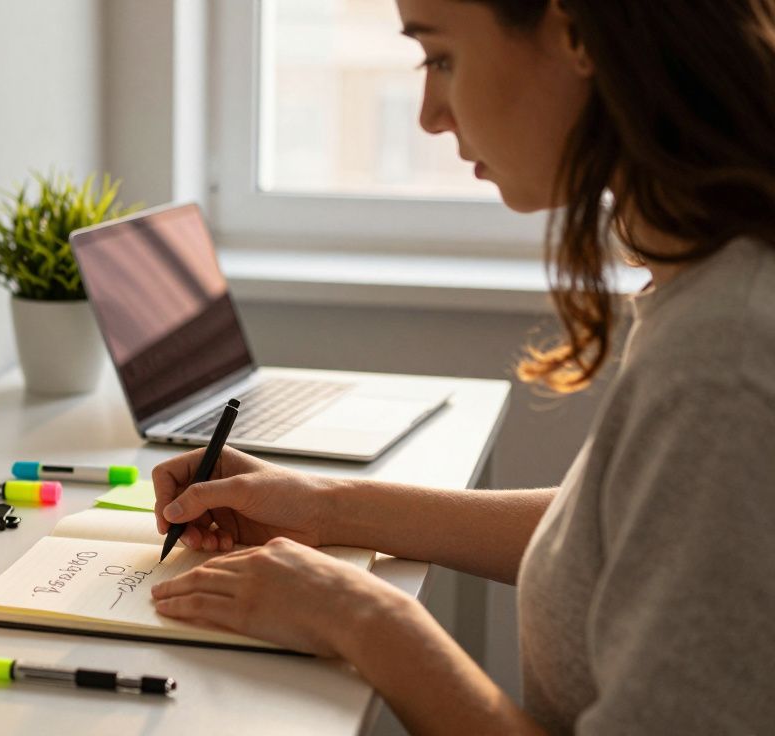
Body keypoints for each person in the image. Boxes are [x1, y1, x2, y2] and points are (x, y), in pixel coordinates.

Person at [148, 1, 775, 733]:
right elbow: (635, 534)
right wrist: (328, 506)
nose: (427, 116)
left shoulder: (724, 358)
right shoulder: (710, 278)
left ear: (575, 32)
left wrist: (364, 617)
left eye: (441, 57)